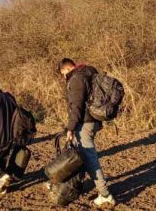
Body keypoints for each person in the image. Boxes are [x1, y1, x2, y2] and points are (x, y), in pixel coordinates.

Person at [58, 58, 116, 208]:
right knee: (81, 155)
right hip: (94, 121)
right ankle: (74, 185)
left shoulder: (76, 79)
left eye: (63, 73)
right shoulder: (90, 71)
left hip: (84, 123)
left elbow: (76, 107)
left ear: (67, 69)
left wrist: (70, 128)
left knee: (89, 158)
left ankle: (105, 195)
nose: (64, 77)